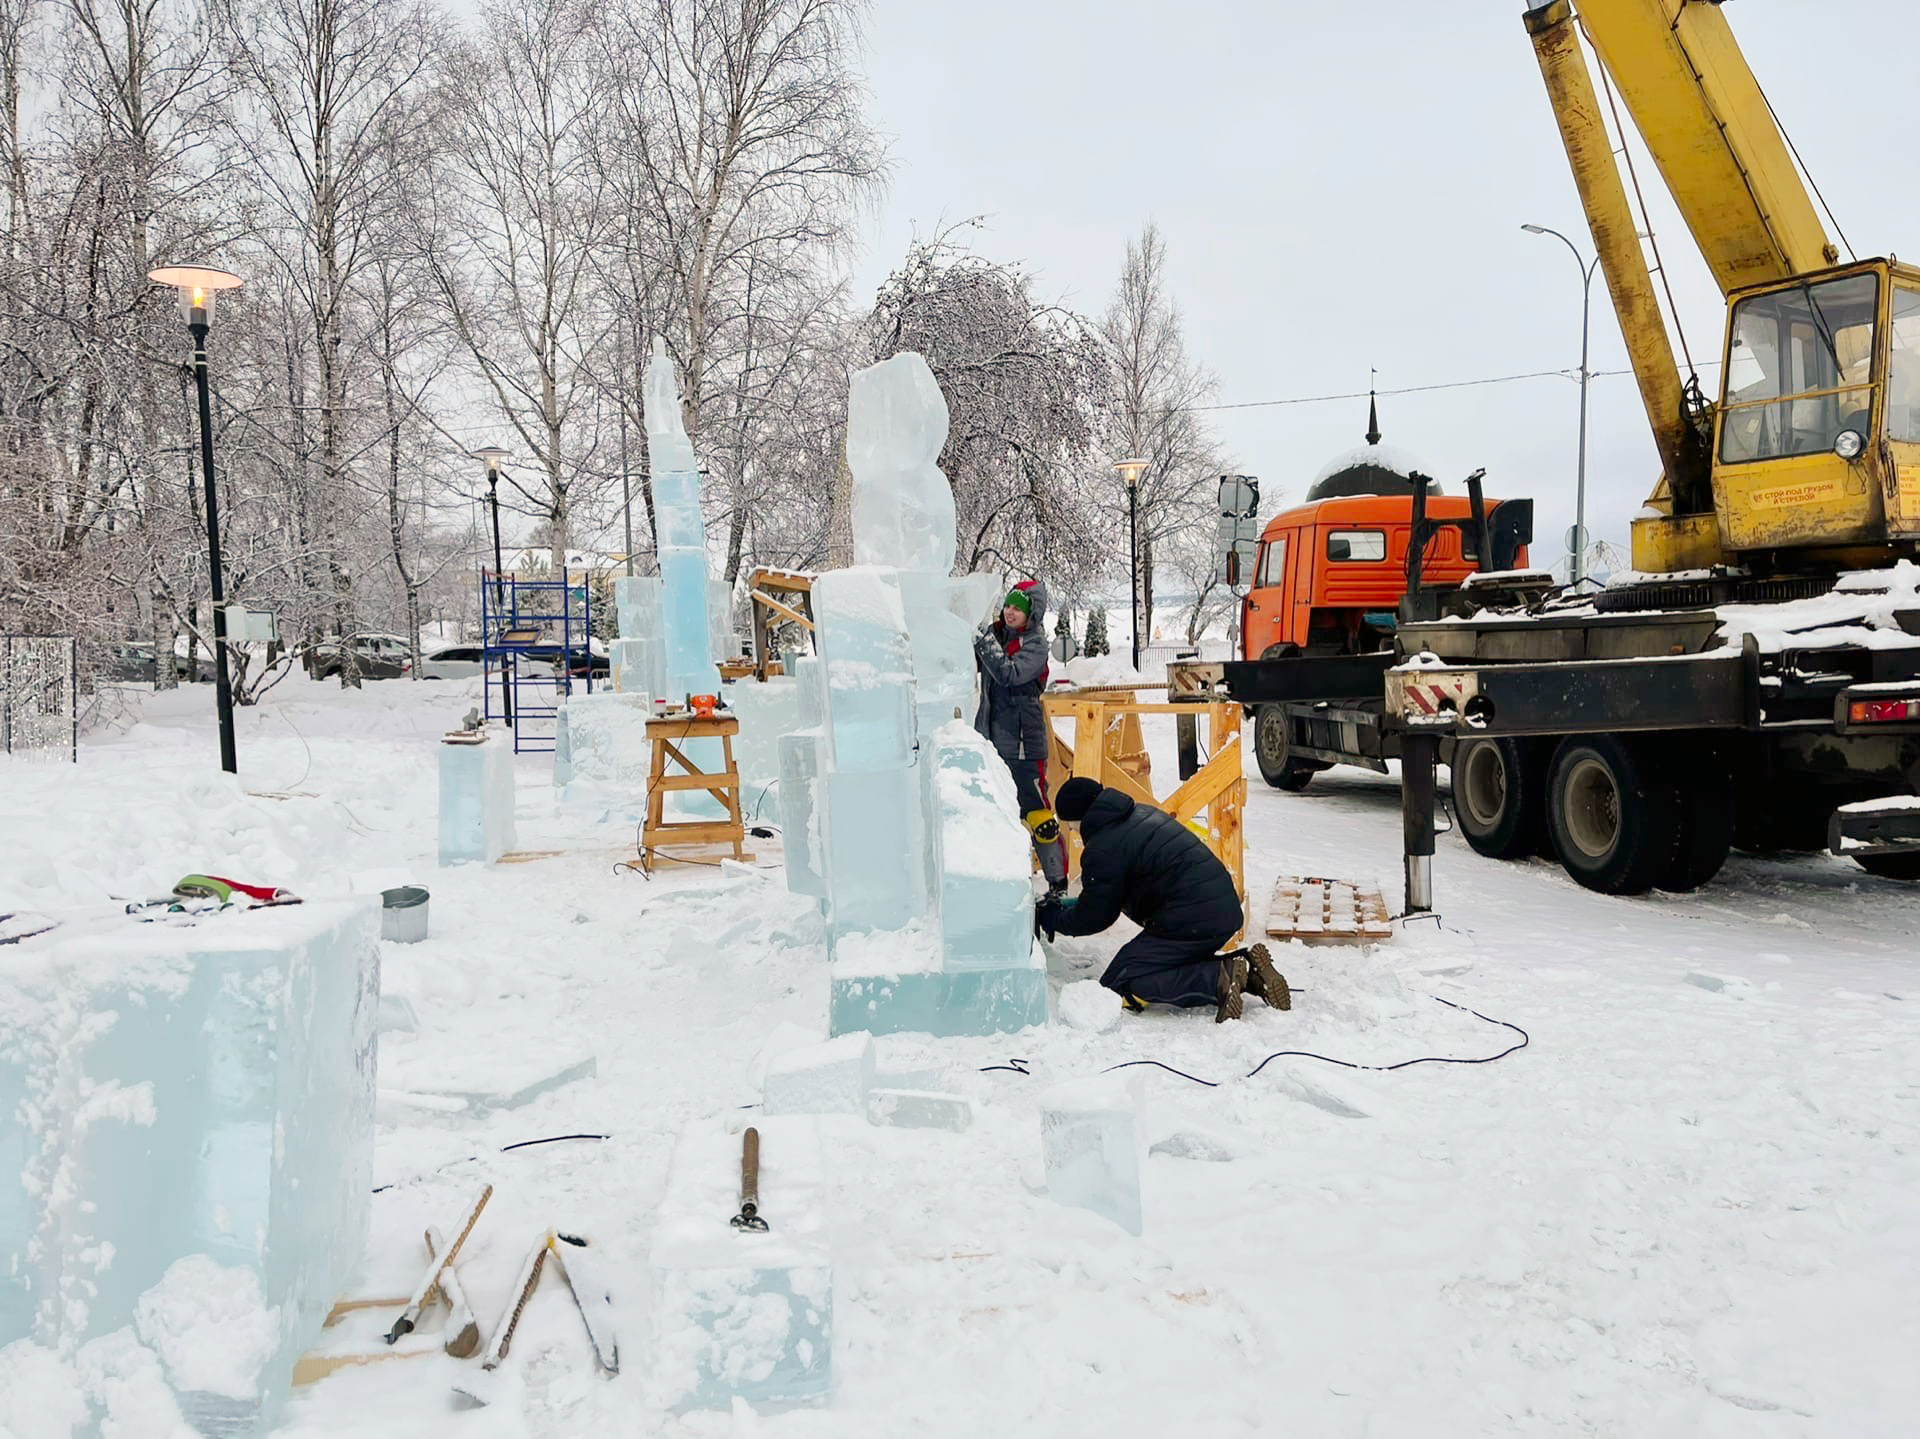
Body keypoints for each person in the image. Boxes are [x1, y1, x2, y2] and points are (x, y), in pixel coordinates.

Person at [1036, 776, 1289, 1023]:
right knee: (1161, 962)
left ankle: (1217, 978)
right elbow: (1103, 896)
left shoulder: (1104, 846)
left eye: (1070, 825)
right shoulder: (1137, 815)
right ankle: (1247, 971)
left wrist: (1054, 918)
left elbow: (1096, 915)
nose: (1073, 832)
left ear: (1078, 816)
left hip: (1189, 921)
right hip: (1217, 911)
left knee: (1120, 983)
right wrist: (1065, 906)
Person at [974, 579, 1067, 891]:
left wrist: (984, 640)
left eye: (1019, 608)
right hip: (991, 737)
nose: (1011, 612)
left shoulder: (1035, 645)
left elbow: (1008, 674)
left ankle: (1057, 881)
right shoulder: (998, 636)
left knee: (1036, 811)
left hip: (1024, 745)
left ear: (1033, 614)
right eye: (1008, 605)